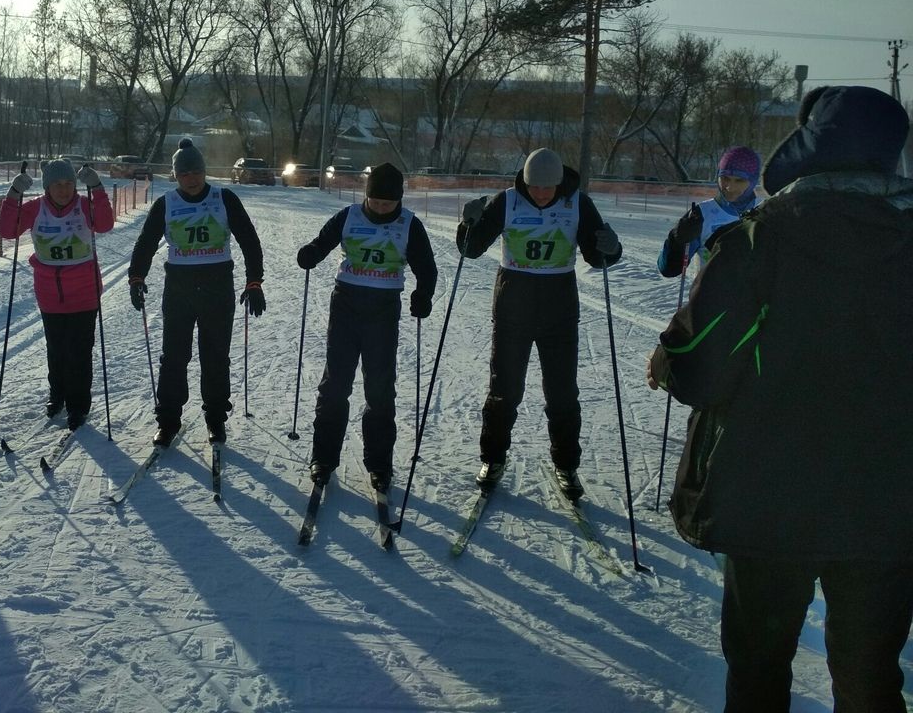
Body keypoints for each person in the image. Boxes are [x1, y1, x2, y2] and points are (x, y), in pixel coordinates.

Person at [647, 85, 913, 713]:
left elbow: (700, 368)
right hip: (888, 507)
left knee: (760, 673)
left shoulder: (757, 243)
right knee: (871, 680)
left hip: (769, 499)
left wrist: (670, 356)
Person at [457, 147, 622, 499]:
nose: (542, 194)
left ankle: (566, 465)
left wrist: (612, 247)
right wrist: (467, 224)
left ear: (560, 183)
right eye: (535, 188)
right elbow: (471, 249)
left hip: (558, 308)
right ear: (525, 181)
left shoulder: (578, 203)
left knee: (562, 393)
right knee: (505, 390)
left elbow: (597, 256)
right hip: (513, 305)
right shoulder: (508, 201)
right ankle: (493, 458)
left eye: (549, 188)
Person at [295, 163, 437, 491]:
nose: (382, 208)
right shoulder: (349, 216)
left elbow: (427, 268)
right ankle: (324, 457)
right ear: (366, 195)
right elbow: (323, 243)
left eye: (389, 203)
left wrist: (423, 295)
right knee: (335, 385)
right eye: (376, 201)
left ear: (399, 200)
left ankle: (379, 464)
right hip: (346, 304)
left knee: (380, 389)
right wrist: (311, 254)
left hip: (384, 310)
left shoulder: (409, 224)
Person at [128, 138, 264, 446]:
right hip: (179, 289)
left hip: (218, 287)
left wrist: (254, 281)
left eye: (197, 172)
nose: (192, 179)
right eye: (185, 174)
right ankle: (168, 421)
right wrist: (136, 277)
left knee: (215, 357)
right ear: (176, 175)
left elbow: (249, 240)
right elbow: (146, 243)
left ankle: (215, 419)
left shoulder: (224, 198)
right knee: (173, 358)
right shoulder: (167, 203)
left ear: (204, 172)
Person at [0, 158, 112, 428]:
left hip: (84, 292)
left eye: (69, 184)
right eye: (57, 185)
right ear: (47, 187)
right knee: (56, 349)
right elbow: (7, 231)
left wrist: (96, 186)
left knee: (80, 351)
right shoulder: (36, 208)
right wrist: (13, 194)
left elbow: (105, 224)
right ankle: (57, 395)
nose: (64, 190)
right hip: (50, 294)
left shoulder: (84, 206)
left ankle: (78, 405)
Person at [658, 145, 761, 278]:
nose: (730, 187)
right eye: (725, 178)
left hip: (753, 297)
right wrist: (677, 242)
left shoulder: (766, 212)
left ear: (753, 181)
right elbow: (669, 270)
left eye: (739, 180)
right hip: (708, 296)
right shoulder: (701, 214)